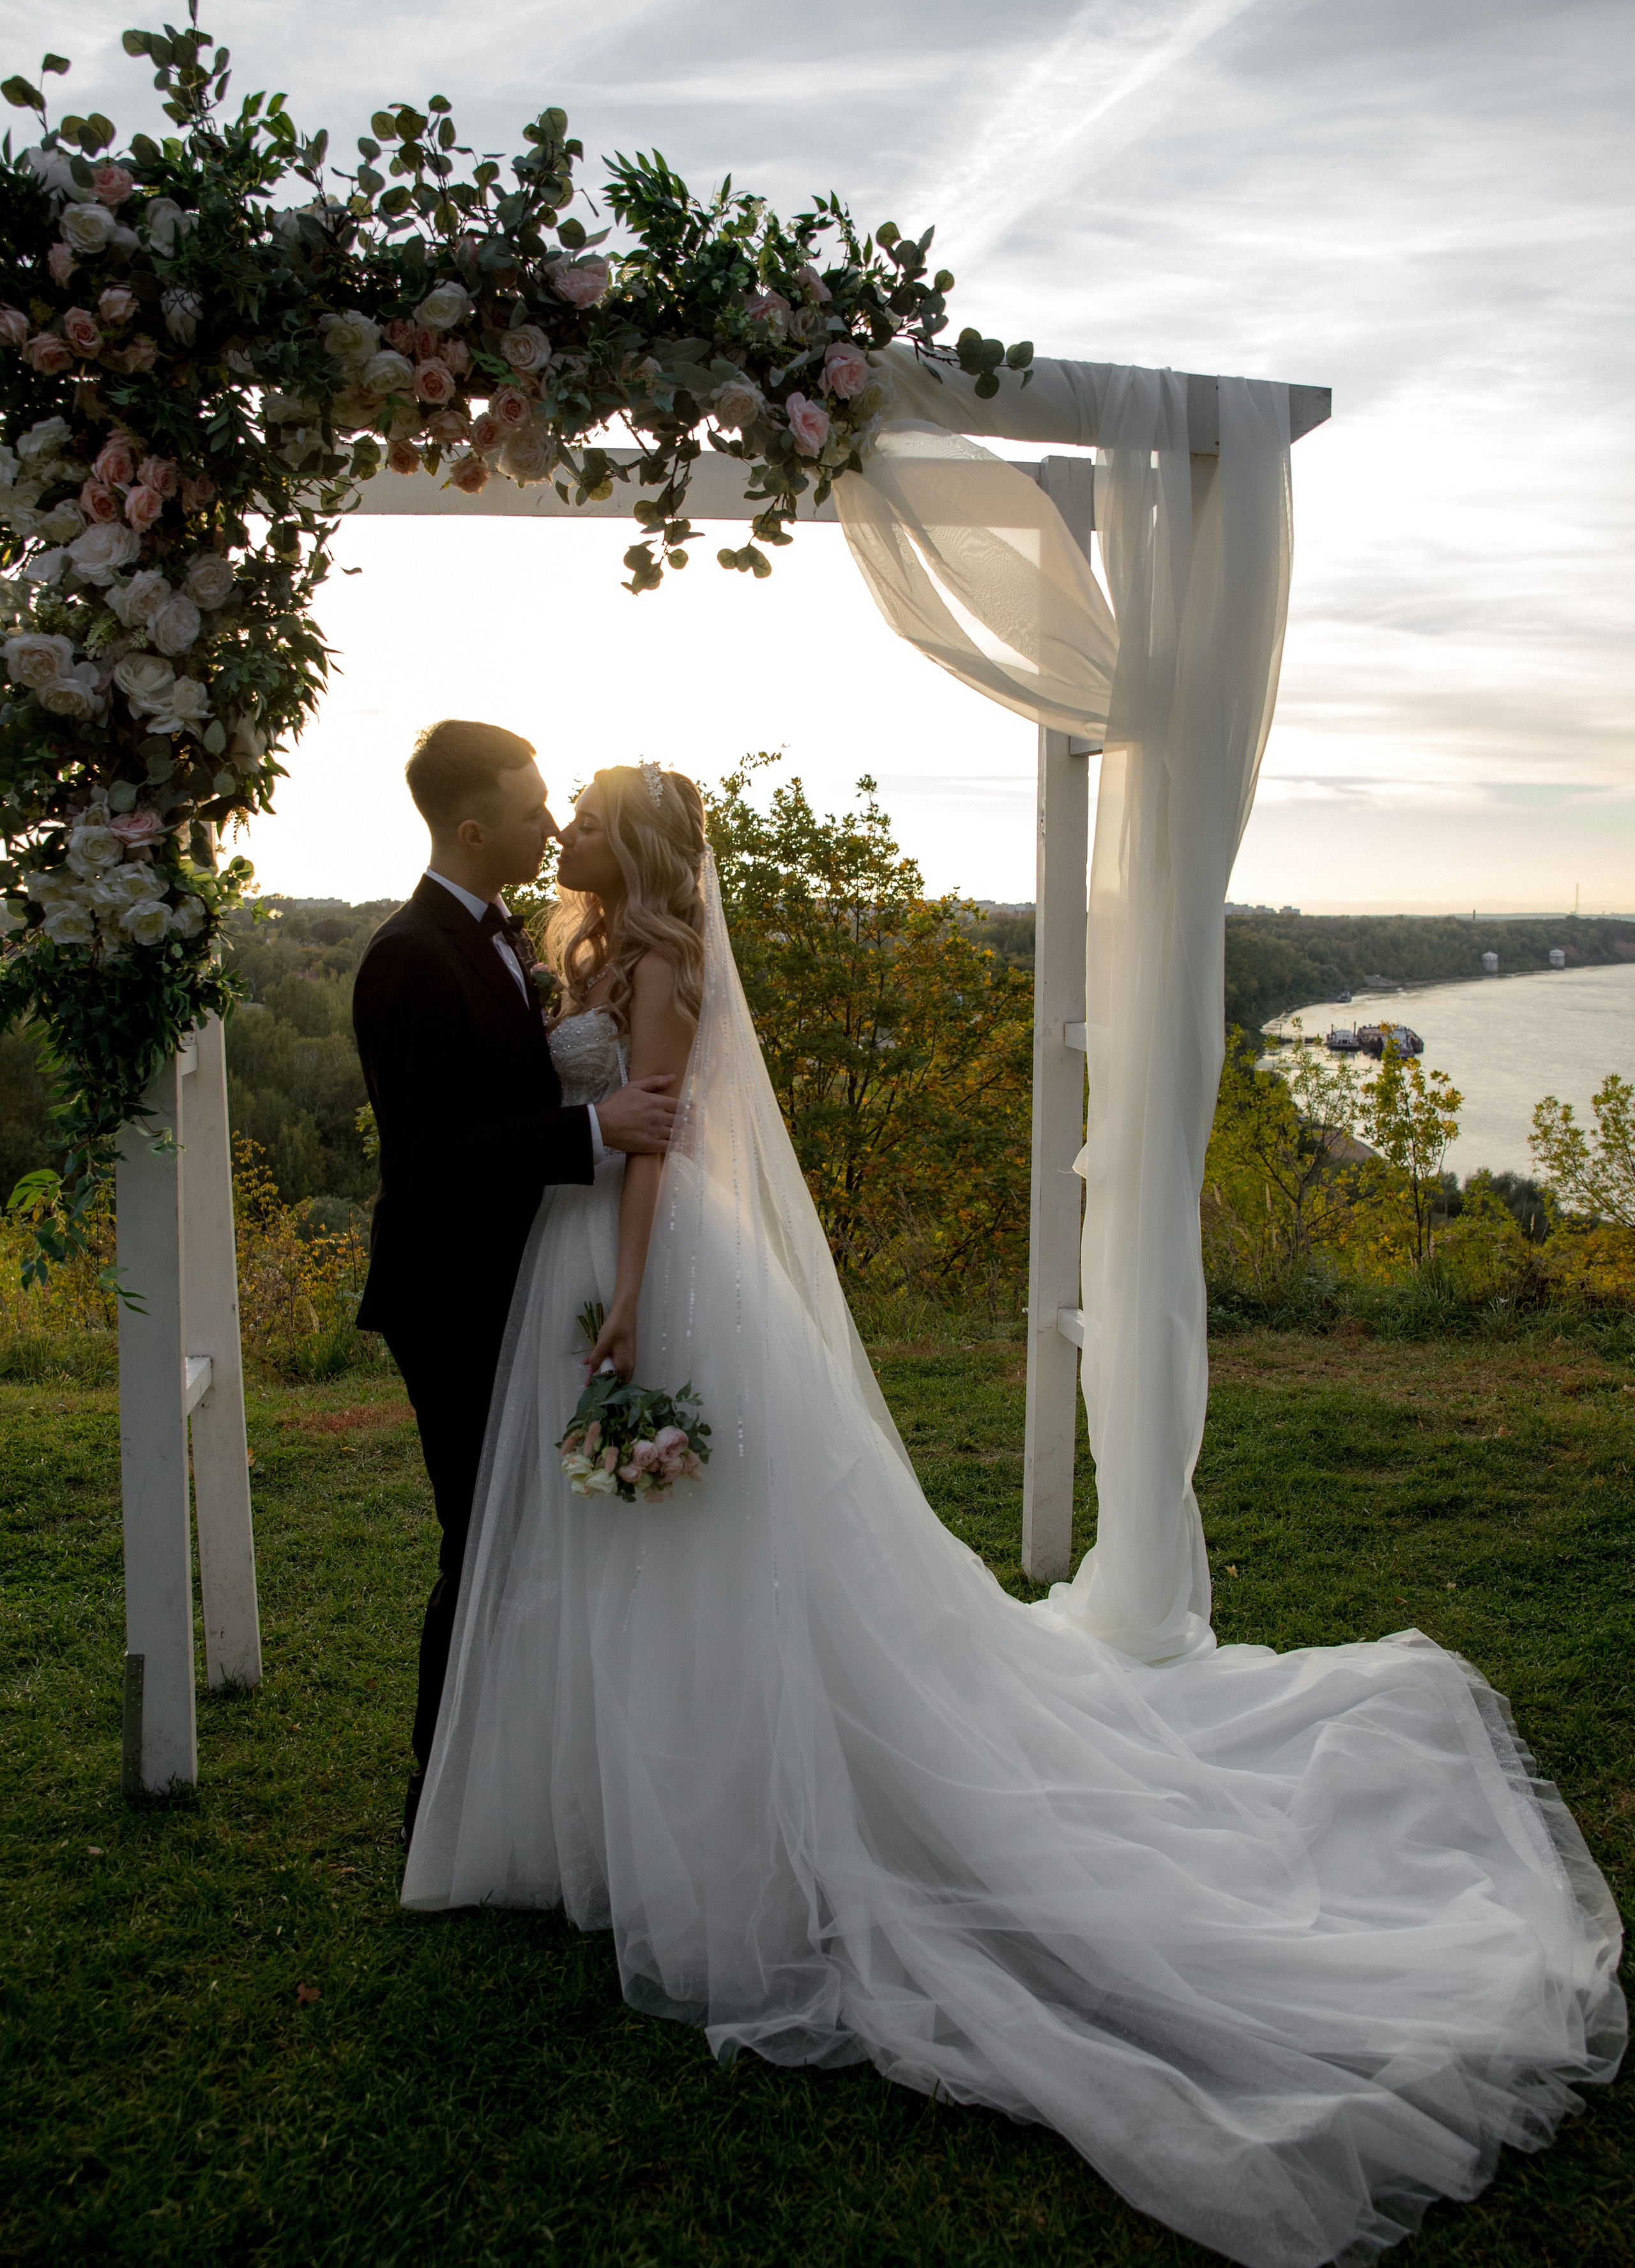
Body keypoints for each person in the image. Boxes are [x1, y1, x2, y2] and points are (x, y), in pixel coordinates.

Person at [402, 759, 1624, 2268]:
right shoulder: (576, 947)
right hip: (566, 1264)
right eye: (556, 806)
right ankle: (613, 1803)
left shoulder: (661, 962)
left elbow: (655, 1149)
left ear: (638, 843)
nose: (566, 826)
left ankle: (724, 1817)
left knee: (699, 1551)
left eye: (588, 812)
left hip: (643, 1267)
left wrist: (637, 1302)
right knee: (620, 1549)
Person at [352, 722, 678, 1843]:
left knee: (535, 1529)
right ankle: (437, 1795)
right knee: (480, 1540)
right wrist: (592, 1127)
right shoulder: (409, 955)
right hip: (450, 1296)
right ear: (474, 826)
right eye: (535, 808)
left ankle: (527, 1777)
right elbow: (431, 1157)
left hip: (528, 1279)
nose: (550, 824)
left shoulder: (512, 943)